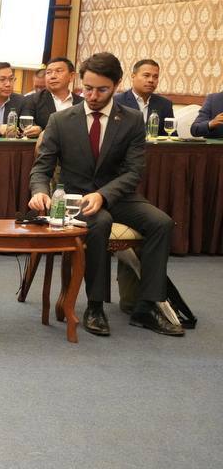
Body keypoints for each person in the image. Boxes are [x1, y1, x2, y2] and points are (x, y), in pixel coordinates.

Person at [28, 51, 182, 337]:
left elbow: (134, 171)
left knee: (161, 223)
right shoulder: (61, 120)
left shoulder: (132, 120)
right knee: (100, 222)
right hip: (76, 199)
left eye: (102, 90)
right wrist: (39, 192)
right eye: (88, 88)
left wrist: (103, 194)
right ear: (80, 83)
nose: (93, 96)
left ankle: (147, 306)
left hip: (118, 195)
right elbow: (42, 168)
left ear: (117, 84)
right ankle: (95, 306)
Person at [115, 59, 175, 136]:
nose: (151, 80)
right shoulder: (117, 101)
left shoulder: (165, 104)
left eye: (155, 77)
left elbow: (171, 135)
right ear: (133, 76)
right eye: (146, 75)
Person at [28, 56, 82, 138]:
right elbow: (27, 123)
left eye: (59, 71)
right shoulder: (33, 100)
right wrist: (38, 130)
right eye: (48, 72)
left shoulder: (82, 102)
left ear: (71, 76)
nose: (52, 76)